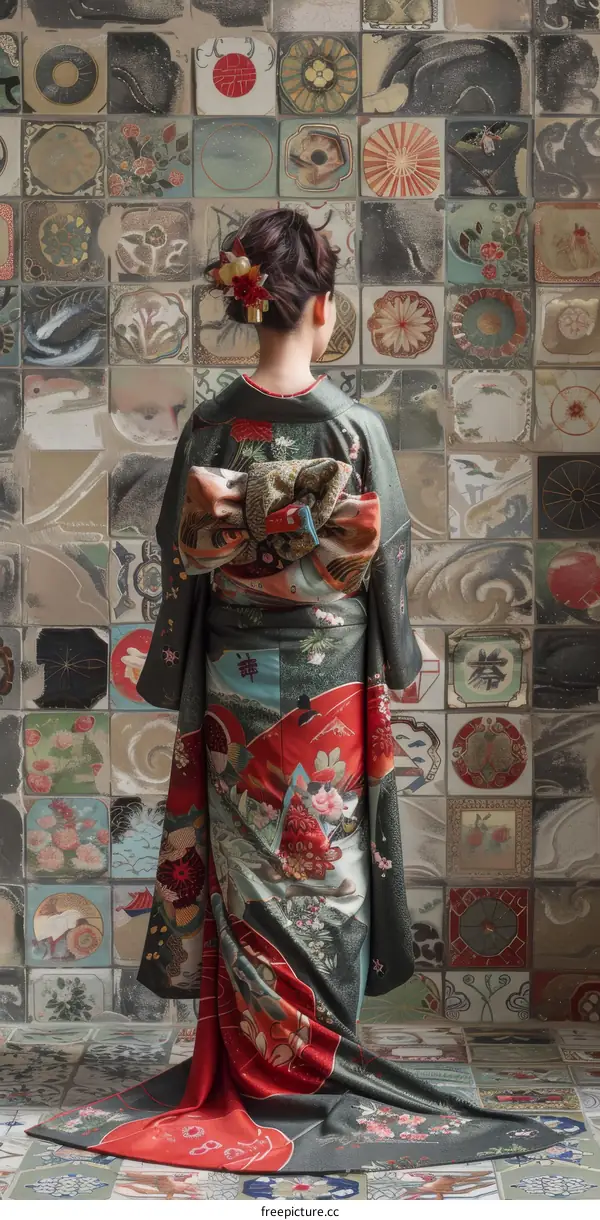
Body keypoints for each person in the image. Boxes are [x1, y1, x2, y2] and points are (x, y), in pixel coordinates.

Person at [28, 208, 560, 1172]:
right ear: (323, 307)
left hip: (235, 683)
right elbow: (386, 561)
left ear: (250, 307)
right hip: (328, 691)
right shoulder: (353, 426)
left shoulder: (210, 422)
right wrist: (401, 659)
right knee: (328, 873)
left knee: (248, 874)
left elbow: (180, 564)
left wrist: (191, 649)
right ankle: (312, 1066)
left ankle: (252, 1064)